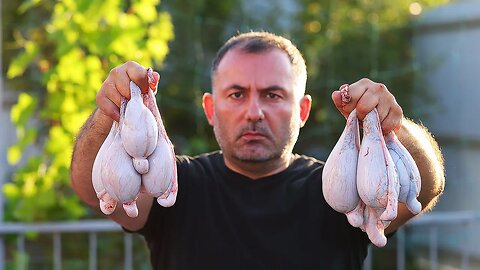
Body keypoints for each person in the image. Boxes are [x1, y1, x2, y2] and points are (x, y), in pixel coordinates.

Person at [71, 31, 445, 269]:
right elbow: (93, 189)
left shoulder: (340, 193)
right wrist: (110, 112)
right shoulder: (173, 185)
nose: (254, 112)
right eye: (236, 94)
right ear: (211, 110)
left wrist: (390, 126)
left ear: (302, 111)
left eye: (273, 94)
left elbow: (425, 185)